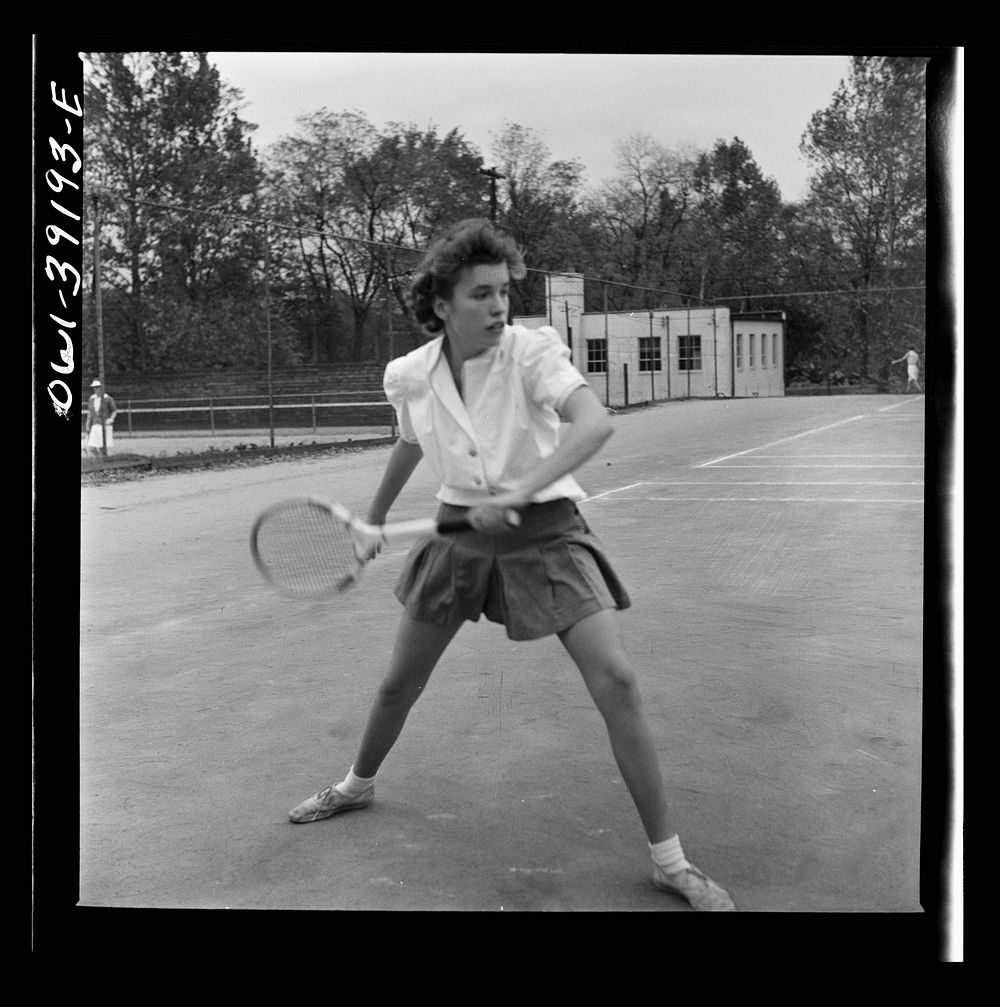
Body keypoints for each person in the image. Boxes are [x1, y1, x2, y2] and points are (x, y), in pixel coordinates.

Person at [288, 219, 735, 912]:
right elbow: (410, 443)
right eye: (480, 294)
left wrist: (519, 493)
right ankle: (357, 784)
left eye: (504, 292)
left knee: (616, 680)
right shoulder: (411, 375)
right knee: (398, 683)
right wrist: (372, 518)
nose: (499, 306)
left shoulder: (532, 353)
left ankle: (669, 861)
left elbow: (596, 425)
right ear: (441, 304)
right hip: (459, 536)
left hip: (550, 534)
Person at [84, 379, 118, 456]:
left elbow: (114, 410)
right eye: (94, 387)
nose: (95, 389)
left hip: (104, 425)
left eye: (97, 387)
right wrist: (87, 424)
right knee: (91, 448)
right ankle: (100, 461)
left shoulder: (108, 398)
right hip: (95, 425)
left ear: (102, 388)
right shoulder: (92, 398)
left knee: (103, 448)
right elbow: (90, 412)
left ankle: (106, 462)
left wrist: (111, 419)